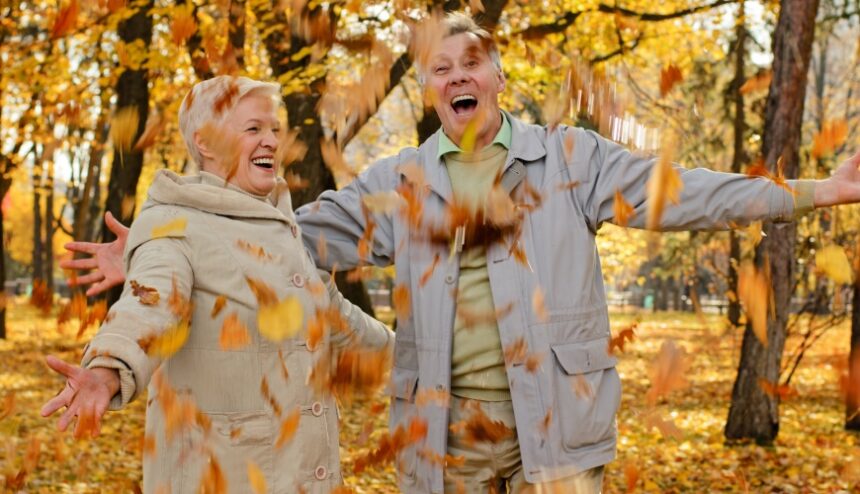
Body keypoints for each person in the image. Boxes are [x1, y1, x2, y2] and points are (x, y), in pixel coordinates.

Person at [62, 12, 860, 494]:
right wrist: (172, 237)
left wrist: (819, 190)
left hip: (561, 421)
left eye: (469, 62)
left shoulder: (570, 159)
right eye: (439, 69)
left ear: (498, 77)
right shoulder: (397, 182)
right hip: (446, 431)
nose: (455, 76)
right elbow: (283, 238)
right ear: (432, 93)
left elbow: (687, 194)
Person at [42, 76, 394, 494]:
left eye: (274, 130)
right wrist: (107, 369)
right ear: (205, 143)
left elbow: (332, 316)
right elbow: (151, 305)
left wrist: (418, 353)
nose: (271, 142)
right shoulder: (171, 225)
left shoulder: (280, 227)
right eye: (253, 129)